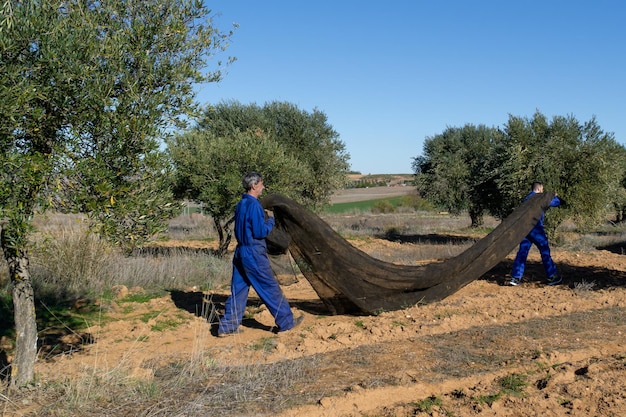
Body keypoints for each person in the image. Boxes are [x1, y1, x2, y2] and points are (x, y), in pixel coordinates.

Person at [217, 172, 303, 336]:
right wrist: (270, 221)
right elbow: (259, 231)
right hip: (253, 252)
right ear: (254, 185)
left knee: (239, 290)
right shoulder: (255, 205)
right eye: (262, 183)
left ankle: (227, 327)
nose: (263, 187)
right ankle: (287, 323)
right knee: (269, 287)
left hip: (240, 251)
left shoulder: (241, 204)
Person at [509, 181, 562, 286]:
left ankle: (515, 278)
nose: (543, 191)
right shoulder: (539, 198)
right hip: (536, 228)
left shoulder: (527, 198)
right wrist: (555, 196)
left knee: (522, 253)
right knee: (545, 251)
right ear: (539, 188)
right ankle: (552, 276)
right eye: (542, 189)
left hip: (525, 230)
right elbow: (555, 202)